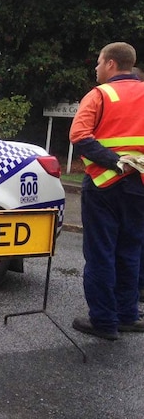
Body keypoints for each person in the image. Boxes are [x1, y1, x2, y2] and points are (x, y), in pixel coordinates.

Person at [70, 42, 144, 340]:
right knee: (130, 252)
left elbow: (79, 136)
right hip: (138, 187)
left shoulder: (100, 94)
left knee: (101, 253)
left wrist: (115, 162)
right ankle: (127, 314)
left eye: (99, 62)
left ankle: (103, 321)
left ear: (112, 64)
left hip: (103, 186)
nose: (96, 68)